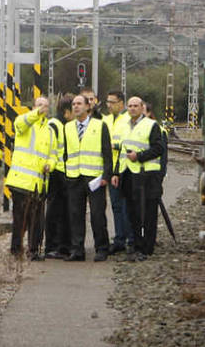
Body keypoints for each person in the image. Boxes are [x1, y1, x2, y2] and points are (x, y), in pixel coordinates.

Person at [63, 93, 114, 262]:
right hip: (74, 177)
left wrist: (106, 175)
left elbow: (107, 153)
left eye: (79, 103)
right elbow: (65, 152)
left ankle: (102, 248)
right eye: (74, 104)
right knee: (75, 214)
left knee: (97, 214)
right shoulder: (68, 127)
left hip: (94, 177)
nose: (76, 106)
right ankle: (77, 250)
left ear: (87, 106)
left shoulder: (100, 126)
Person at [113, 96, 164, 262]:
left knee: (147, 214)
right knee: (132, 212)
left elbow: (158, 148)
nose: (132, 108)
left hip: (146, 175)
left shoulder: (151, 125)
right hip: (128, 174)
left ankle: (146, 248)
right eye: (130, 106)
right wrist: (116, 172)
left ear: (142, 108)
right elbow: (121, 152)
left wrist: (139, 156)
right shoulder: (125, 126)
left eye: (136, 106)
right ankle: (135, 244)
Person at [7, 96, 57, 262]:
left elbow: (53, 154)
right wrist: (36, 113)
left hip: (39, 182)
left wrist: (50, 164)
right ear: (33, 107)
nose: (43, 108)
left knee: (37, 220)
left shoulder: (49, 131)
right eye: (39, 105)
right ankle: (16, 251)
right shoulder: (25, 123)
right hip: (21, 180)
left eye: (46, 106)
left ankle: (34, 250)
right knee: (20, 219)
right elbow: (21, 123)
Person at [44, 93, 74, 259]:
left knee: (64, 211)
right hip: (56, 173)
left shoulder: (65, 125)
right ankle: (52, 246)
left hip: (65, 172)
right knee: (55, 210)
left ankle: (62, 245)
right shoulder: (54, 125)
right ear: (66, 112)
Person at [103, 92, 133, 254]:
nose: (109, 105)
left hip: (124, 168)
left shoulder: (127, 120)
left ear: (121, 103)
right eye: (107, 102)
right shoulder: (105, 120)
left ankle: (130, 238)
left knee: (125, 205)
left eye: (112, 102)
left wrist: (115, 145)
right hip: (110, 168)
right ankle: (119, 238)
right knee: (115, 205)